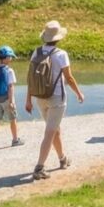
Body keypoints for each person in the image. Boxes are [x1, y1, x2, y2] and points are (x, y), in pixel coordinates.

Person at [24, 20, 83, 181]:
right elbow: (69, 78)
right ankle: (39, 167)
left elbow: (30, 78)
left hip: (40, 97)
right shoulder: (61, 54)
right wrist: (79, 93)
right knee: (50, 132)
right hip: (56, 98)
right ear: (58, 38)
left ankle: (63, 158)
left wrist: (28, 99)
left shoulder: (36, 53)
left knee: (54, 129)